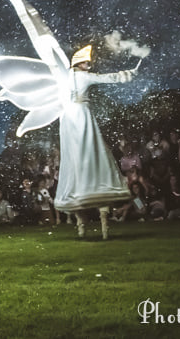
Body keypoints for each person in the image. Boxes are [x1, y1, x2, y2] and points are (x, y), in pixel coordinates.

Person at [53, 45, 137, 239]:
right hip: (80, 116)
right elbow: (106, 78)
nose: (88, 66)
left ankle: (81, 226)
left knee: (76, 160)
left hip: (67, 118)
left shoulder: (64, 78)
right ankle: (103, 225)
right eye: (86, 63)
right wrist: (128, 74)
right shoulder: (83, 76)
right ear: (79, 63)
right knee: (93, 153)